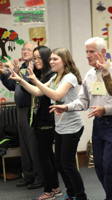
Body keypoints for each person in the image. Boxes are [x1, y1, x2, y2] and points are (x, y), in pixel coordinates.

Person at [49, 37, 112, 200]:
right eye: (86, 52)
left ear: (103, 53)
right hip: (98, 125)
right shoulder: (90, 74)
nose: (88, 55)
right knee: (99, 167)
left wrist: (105, 110)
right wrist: (66, 107)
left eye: (91, 52)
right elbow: (83, 101)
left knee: (109, 167)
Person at [10, 48, 87, 200]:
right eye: (50, 59)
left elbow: (56, 95)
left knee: (68, 165)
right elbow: (38, 92)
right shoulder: (56, 77)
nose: (51, 61)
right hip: (60, 127)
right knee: (60, 164)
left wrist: (36, 80)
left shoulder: (69, 77)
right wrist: (21, 80)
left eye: (55, 59)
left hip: (72, 128)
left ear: (64, 61)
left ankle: (81, 195)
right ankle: (71, 193)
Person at [0, 42, 44, 189]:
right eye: (23, 49)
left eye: (28, 49)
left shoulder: (35, 68)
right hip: (20, 110)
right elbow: (13, 86)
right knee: (24, 146)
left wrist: (14, 72)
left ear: (35, 52)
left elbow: (29, 85)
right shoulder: (23, 67)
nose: (24, 51)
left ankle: (39, 177)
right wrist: (3, 75)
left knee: (33, 145)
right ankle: (28, 176)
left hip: (30, 109)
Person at [30, 46, 63, 200]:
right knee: (47, 156)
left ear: (45, 58)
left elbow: (38, 92)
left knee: (45, 157)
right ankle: (55, 188)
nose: (36, 61)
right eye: (34, 58)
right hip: (42, 120)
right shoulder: (43, 74)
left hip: (47, 121)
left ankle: (49, 191)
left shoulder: (49, 75)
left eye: (38, 57)